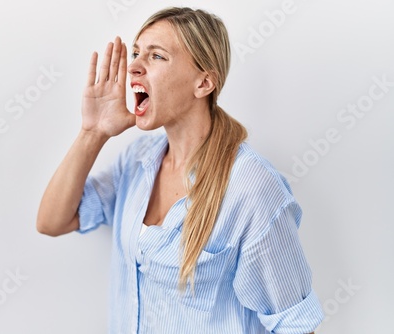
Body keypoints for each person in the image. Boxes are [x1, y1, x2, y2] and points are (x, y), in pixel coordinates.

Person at [37, 6, 324, 334]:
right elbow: (52, 221)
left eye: (157, 56)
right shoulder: (137, 160)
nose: (134, 66)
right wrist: (93, 132)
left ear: (203, 82)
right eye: (136, 52)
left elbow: (296, 326)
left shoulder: (252, 188)